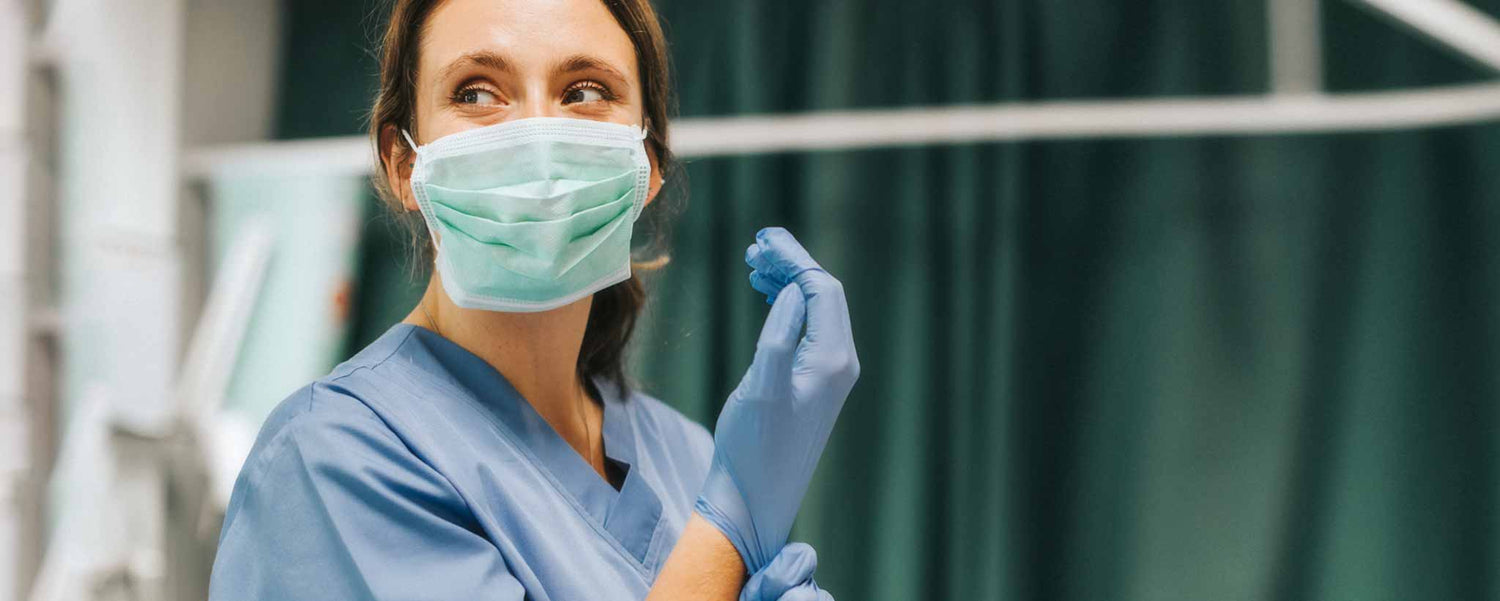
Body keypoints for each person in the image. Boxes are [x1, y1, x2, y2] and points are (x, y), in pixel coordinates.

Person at [206, 0, 860, 599]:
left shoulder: (686, 456)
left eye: (585, 91)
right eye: (476, 92)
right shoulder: (332, 460)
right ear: (403, 164)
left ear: (649, 164)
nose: (538, 139)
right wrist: (729, 522)